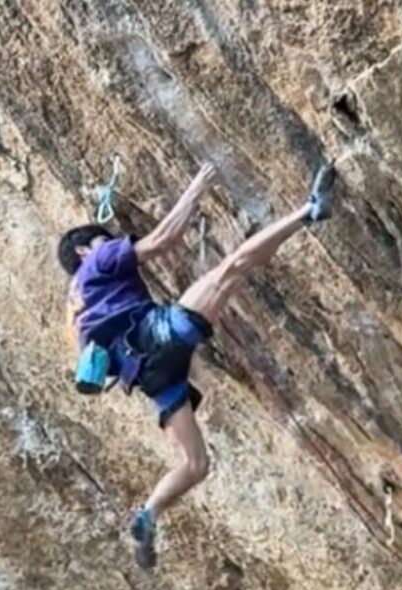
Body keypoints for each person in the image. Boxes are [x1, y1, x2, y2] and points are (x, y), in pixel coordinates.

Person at [57, 160, 337, 568]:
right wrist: (197, 187)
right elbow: (161, 240)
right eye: (105, 240)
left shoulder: (74, 310)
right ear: (84, 250)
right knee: (232, 267)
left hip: (152, 377)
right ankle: (309, 210)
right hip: (157, 337)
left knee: (195, 464)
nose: (112, 243)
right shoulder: (94, 263)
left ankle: (148, 514)